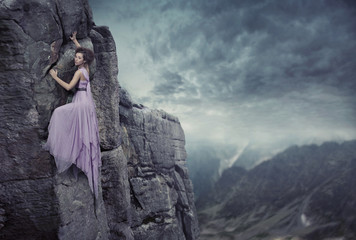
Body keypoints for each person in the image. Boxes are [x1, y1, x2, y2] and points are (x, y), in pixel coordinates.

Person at [44, 32, 101, 199]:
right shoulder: (86, 68)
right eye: (75, 57)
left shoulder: (78, 72)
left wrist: (54, 77)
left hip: (81, 103)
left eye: (78, 58)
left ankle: (66, 152)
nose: (75, 59)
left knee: (58, 113)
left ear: (83, 61)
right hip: (85, 103)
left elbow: (69, 87)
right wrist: (76, 41)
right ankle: (76, 154)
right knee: (80, 131)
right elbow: (83, 54)